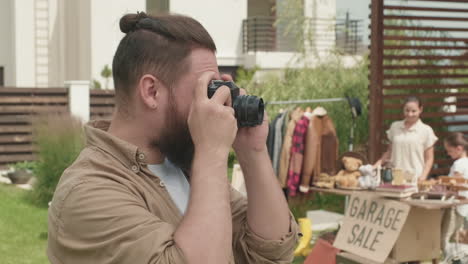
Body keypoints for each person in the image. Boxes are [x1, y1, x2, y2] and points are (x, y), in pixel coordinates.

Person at [47, 12, 298, 264]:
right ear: (152, 91)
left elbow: (272, 251)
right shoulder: (89, 192)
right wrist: (211, 150)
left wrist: (252, 151)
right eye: (204, 90)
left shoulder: (184, 168)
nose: (213, 103)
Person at [375, 96, 438, 183]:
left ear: (420, 109)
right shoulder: (395, 126)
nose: (409, 114)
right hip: (396, 175)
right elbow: (389, 152)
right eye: (407, 110)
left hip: (415, 176)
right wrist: (376, 166)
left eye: (413, 111)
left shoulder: (426, 130)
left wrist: (423, 177)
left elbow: (429, 158)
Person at [441, 132, 468, 257]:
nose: (448, 153)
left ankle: (449, 258)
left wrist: (442, 188)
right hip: (464, 206)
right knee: (459, 236)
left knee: (445, 237)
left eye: (449, 151)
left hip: (455, 205)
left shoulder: (458, 164)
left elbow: (455, 185)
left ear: (459, 148)